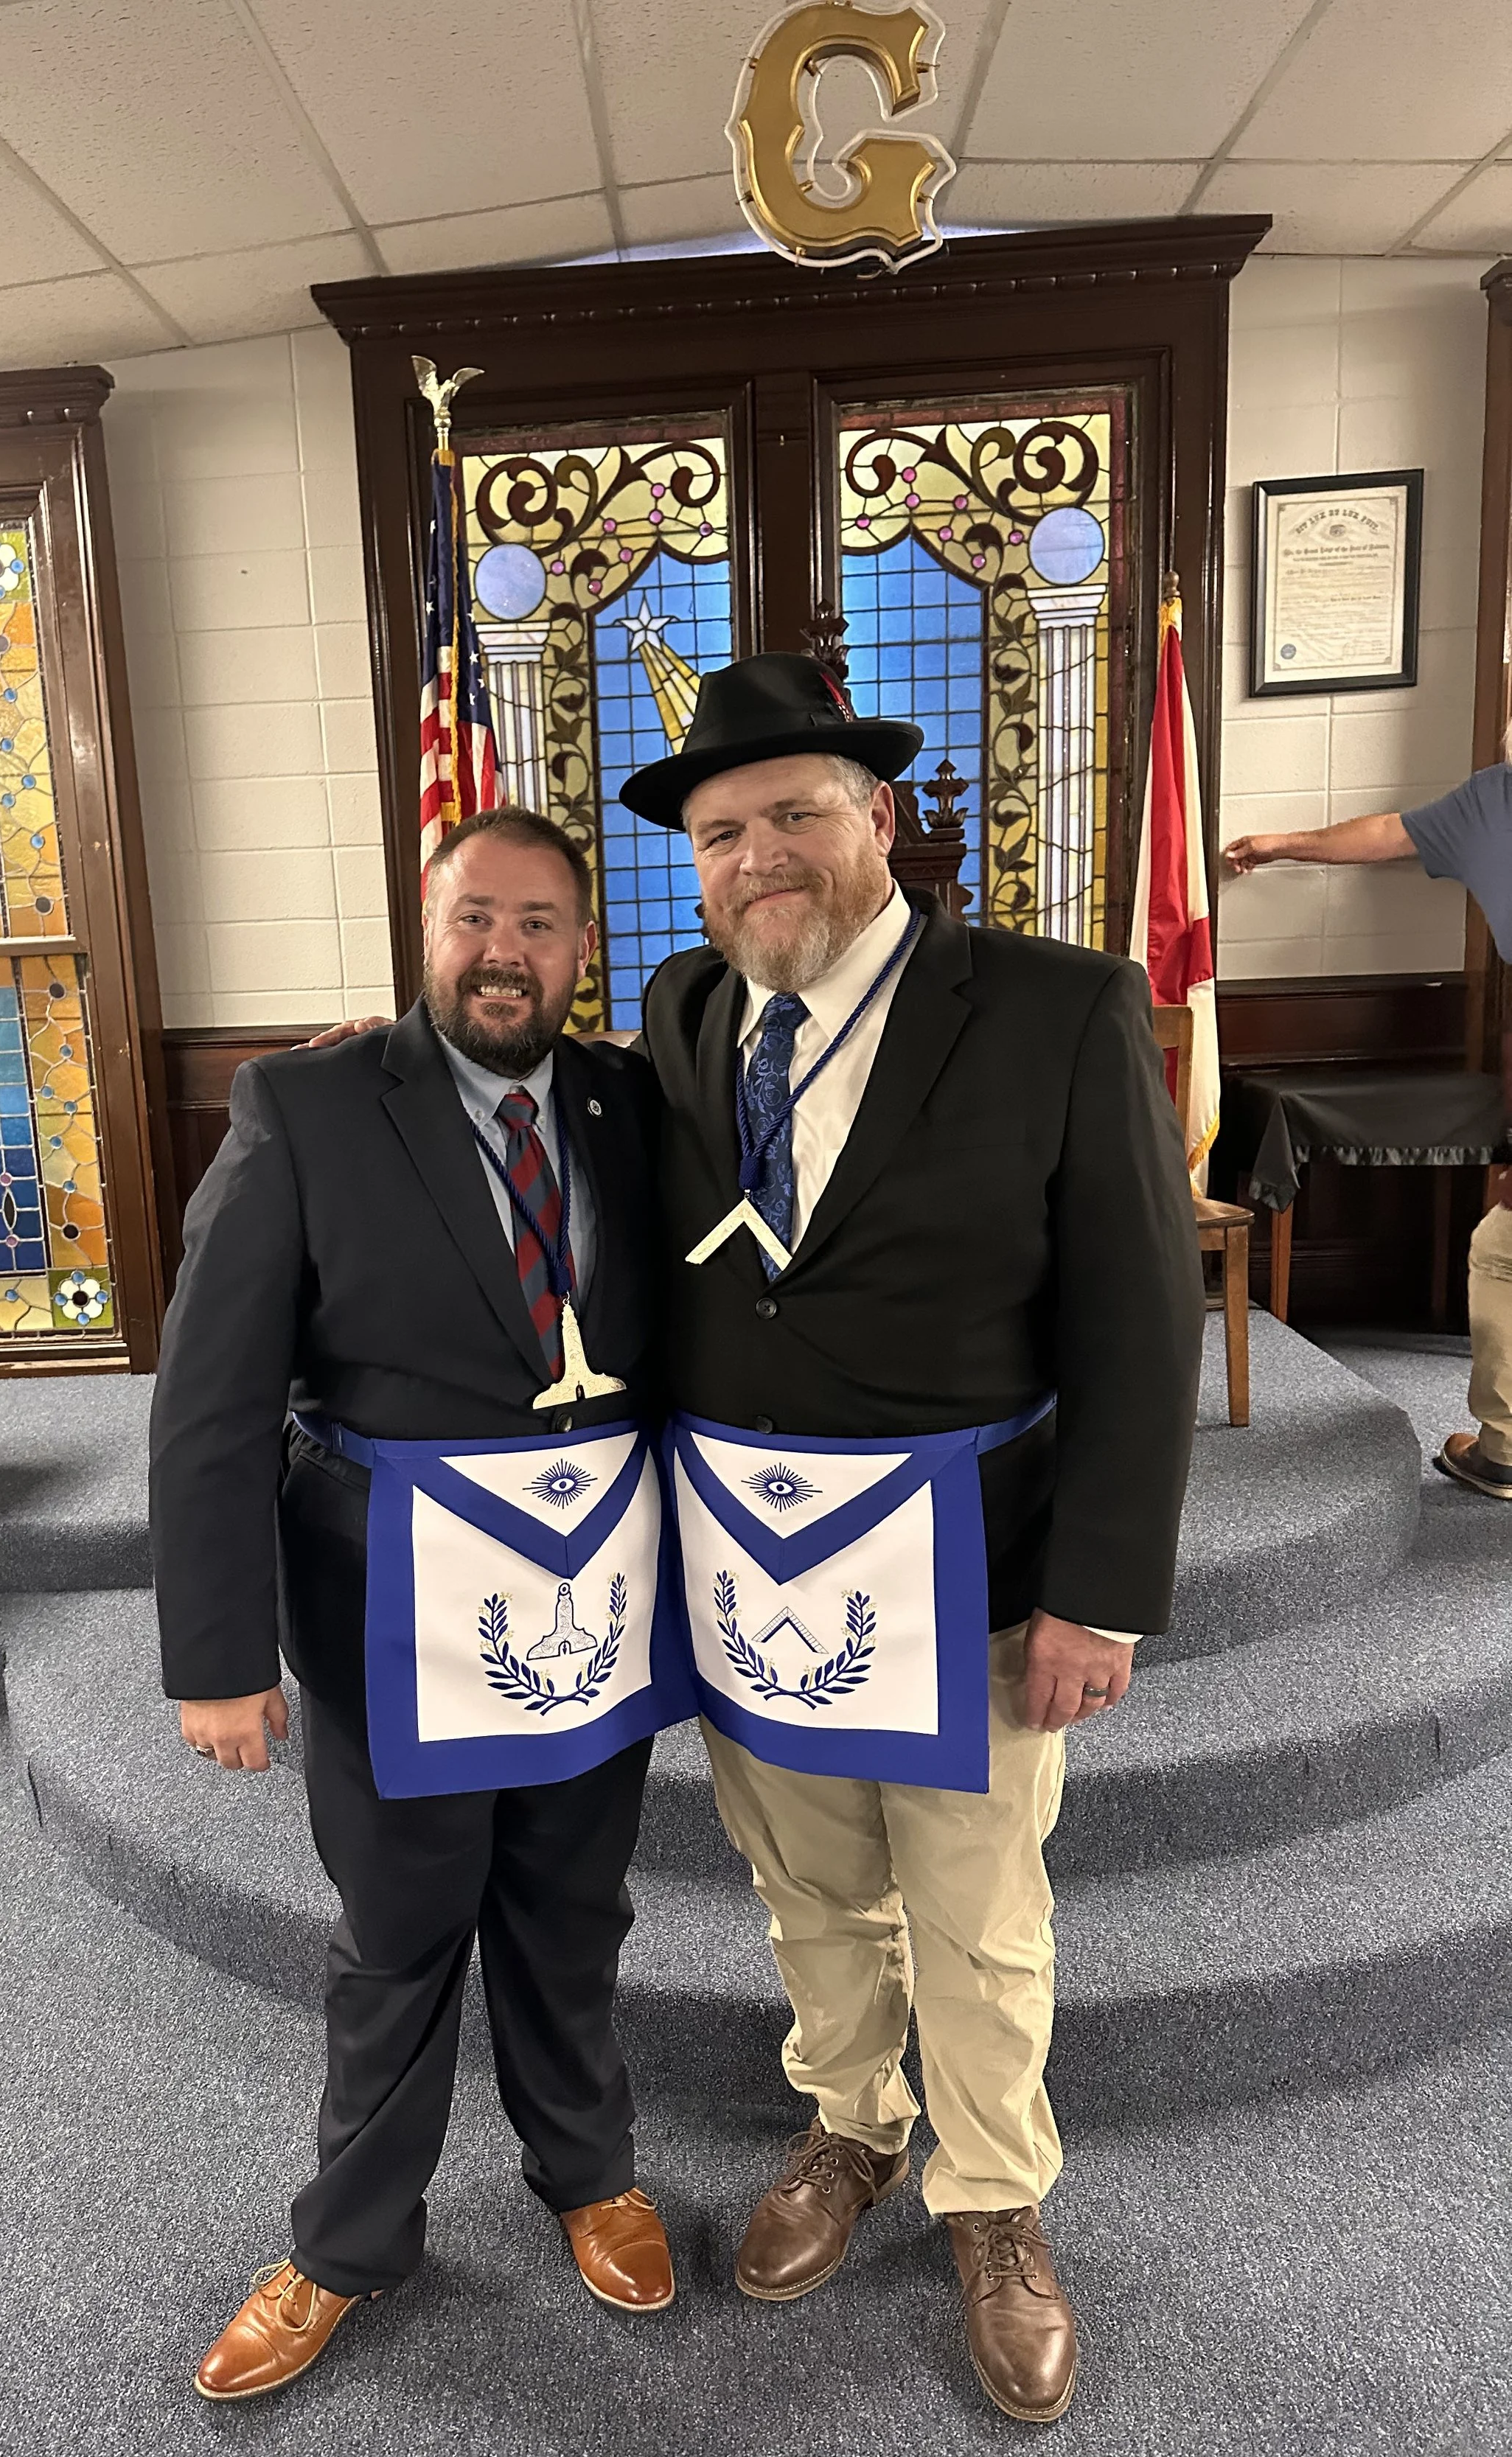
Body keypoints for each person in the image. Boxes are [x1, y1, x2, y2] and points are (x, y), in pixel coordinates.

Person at [623, 653, 1202, 2425]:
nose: (755, 857)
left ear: (877, 816)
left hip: (972, 1565)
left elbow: (1140, 1320)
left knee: (975, 1906)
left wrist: (1097, 1592)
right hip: (752, 1569)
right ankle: (852, 2126)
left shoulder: (1056, 1007)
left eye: (793, 813)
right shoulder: (681, 1008)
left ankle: (994, 2197)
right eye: (719, 833)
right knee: (804, 1887)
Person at [149, 807, 677, 2405]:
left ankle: (588, 2172)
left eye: (537, 923)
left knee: (571, 1908)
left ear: (581, 949)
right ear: (425, 931)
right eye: (474, 919)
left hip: (589, 1594)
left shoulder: (630, 1106)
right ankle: (347, 2239)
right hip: (392, 1613)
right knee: (398, 1934)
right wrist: (219, 1652)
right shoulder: (304, 1105)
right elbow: (211, 1401)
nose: (503, 952)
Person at [1224, 773, 1512, 1500]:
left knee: (1502, 1251)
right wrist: (1280, 844)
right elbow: (1388, 833)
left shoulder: (1499, 796)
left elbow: (1389, 834)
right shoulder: (1491, 800)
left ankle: (1505, 1449)